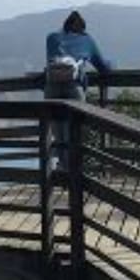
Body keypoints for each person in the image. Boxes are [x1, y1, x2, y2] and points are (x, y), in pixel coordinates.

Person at [44, 10, 113, 166]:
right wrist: (113, 64)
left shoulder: (52, 38)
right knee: (73, 134)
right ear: (82, 28)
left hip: (52, 87)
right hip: (74, 88)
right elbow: (103, 67)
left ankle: (60, 171)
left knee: (57, 134)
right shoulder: (87, 41)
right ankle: (72, 174)